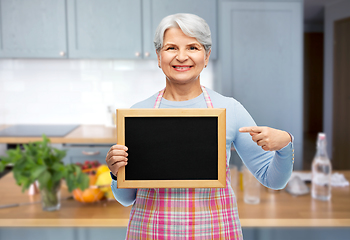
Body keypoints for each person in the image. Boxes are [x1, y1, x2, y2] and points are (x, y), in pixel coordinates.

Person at [106, 13, 294, 239]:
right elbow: (126, 199)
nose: (182, 56)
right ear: (158, 56)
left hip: (214, 231)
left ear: (206, 56)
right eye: (171, 48)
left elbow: (273, 180)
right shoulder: (137, 114)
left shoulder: (229, 109)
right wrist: (116, 173)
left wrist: (285, 145)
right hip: (150, 231)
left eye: (193, 47)